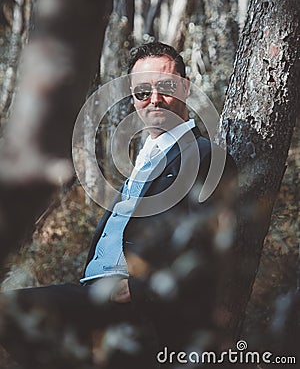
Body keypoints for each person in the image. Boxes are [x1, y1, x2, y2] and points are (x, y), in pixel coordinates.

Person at [0, 42, 237, 369]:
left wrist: (137, 290)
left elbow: (208, 243)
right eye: (142, 91)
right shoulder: (143, 158)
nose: (154, 99)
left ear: (185, 86)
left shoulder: (206, 156)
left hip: (137, 309)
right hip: (91, 295)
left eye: (166, 87)